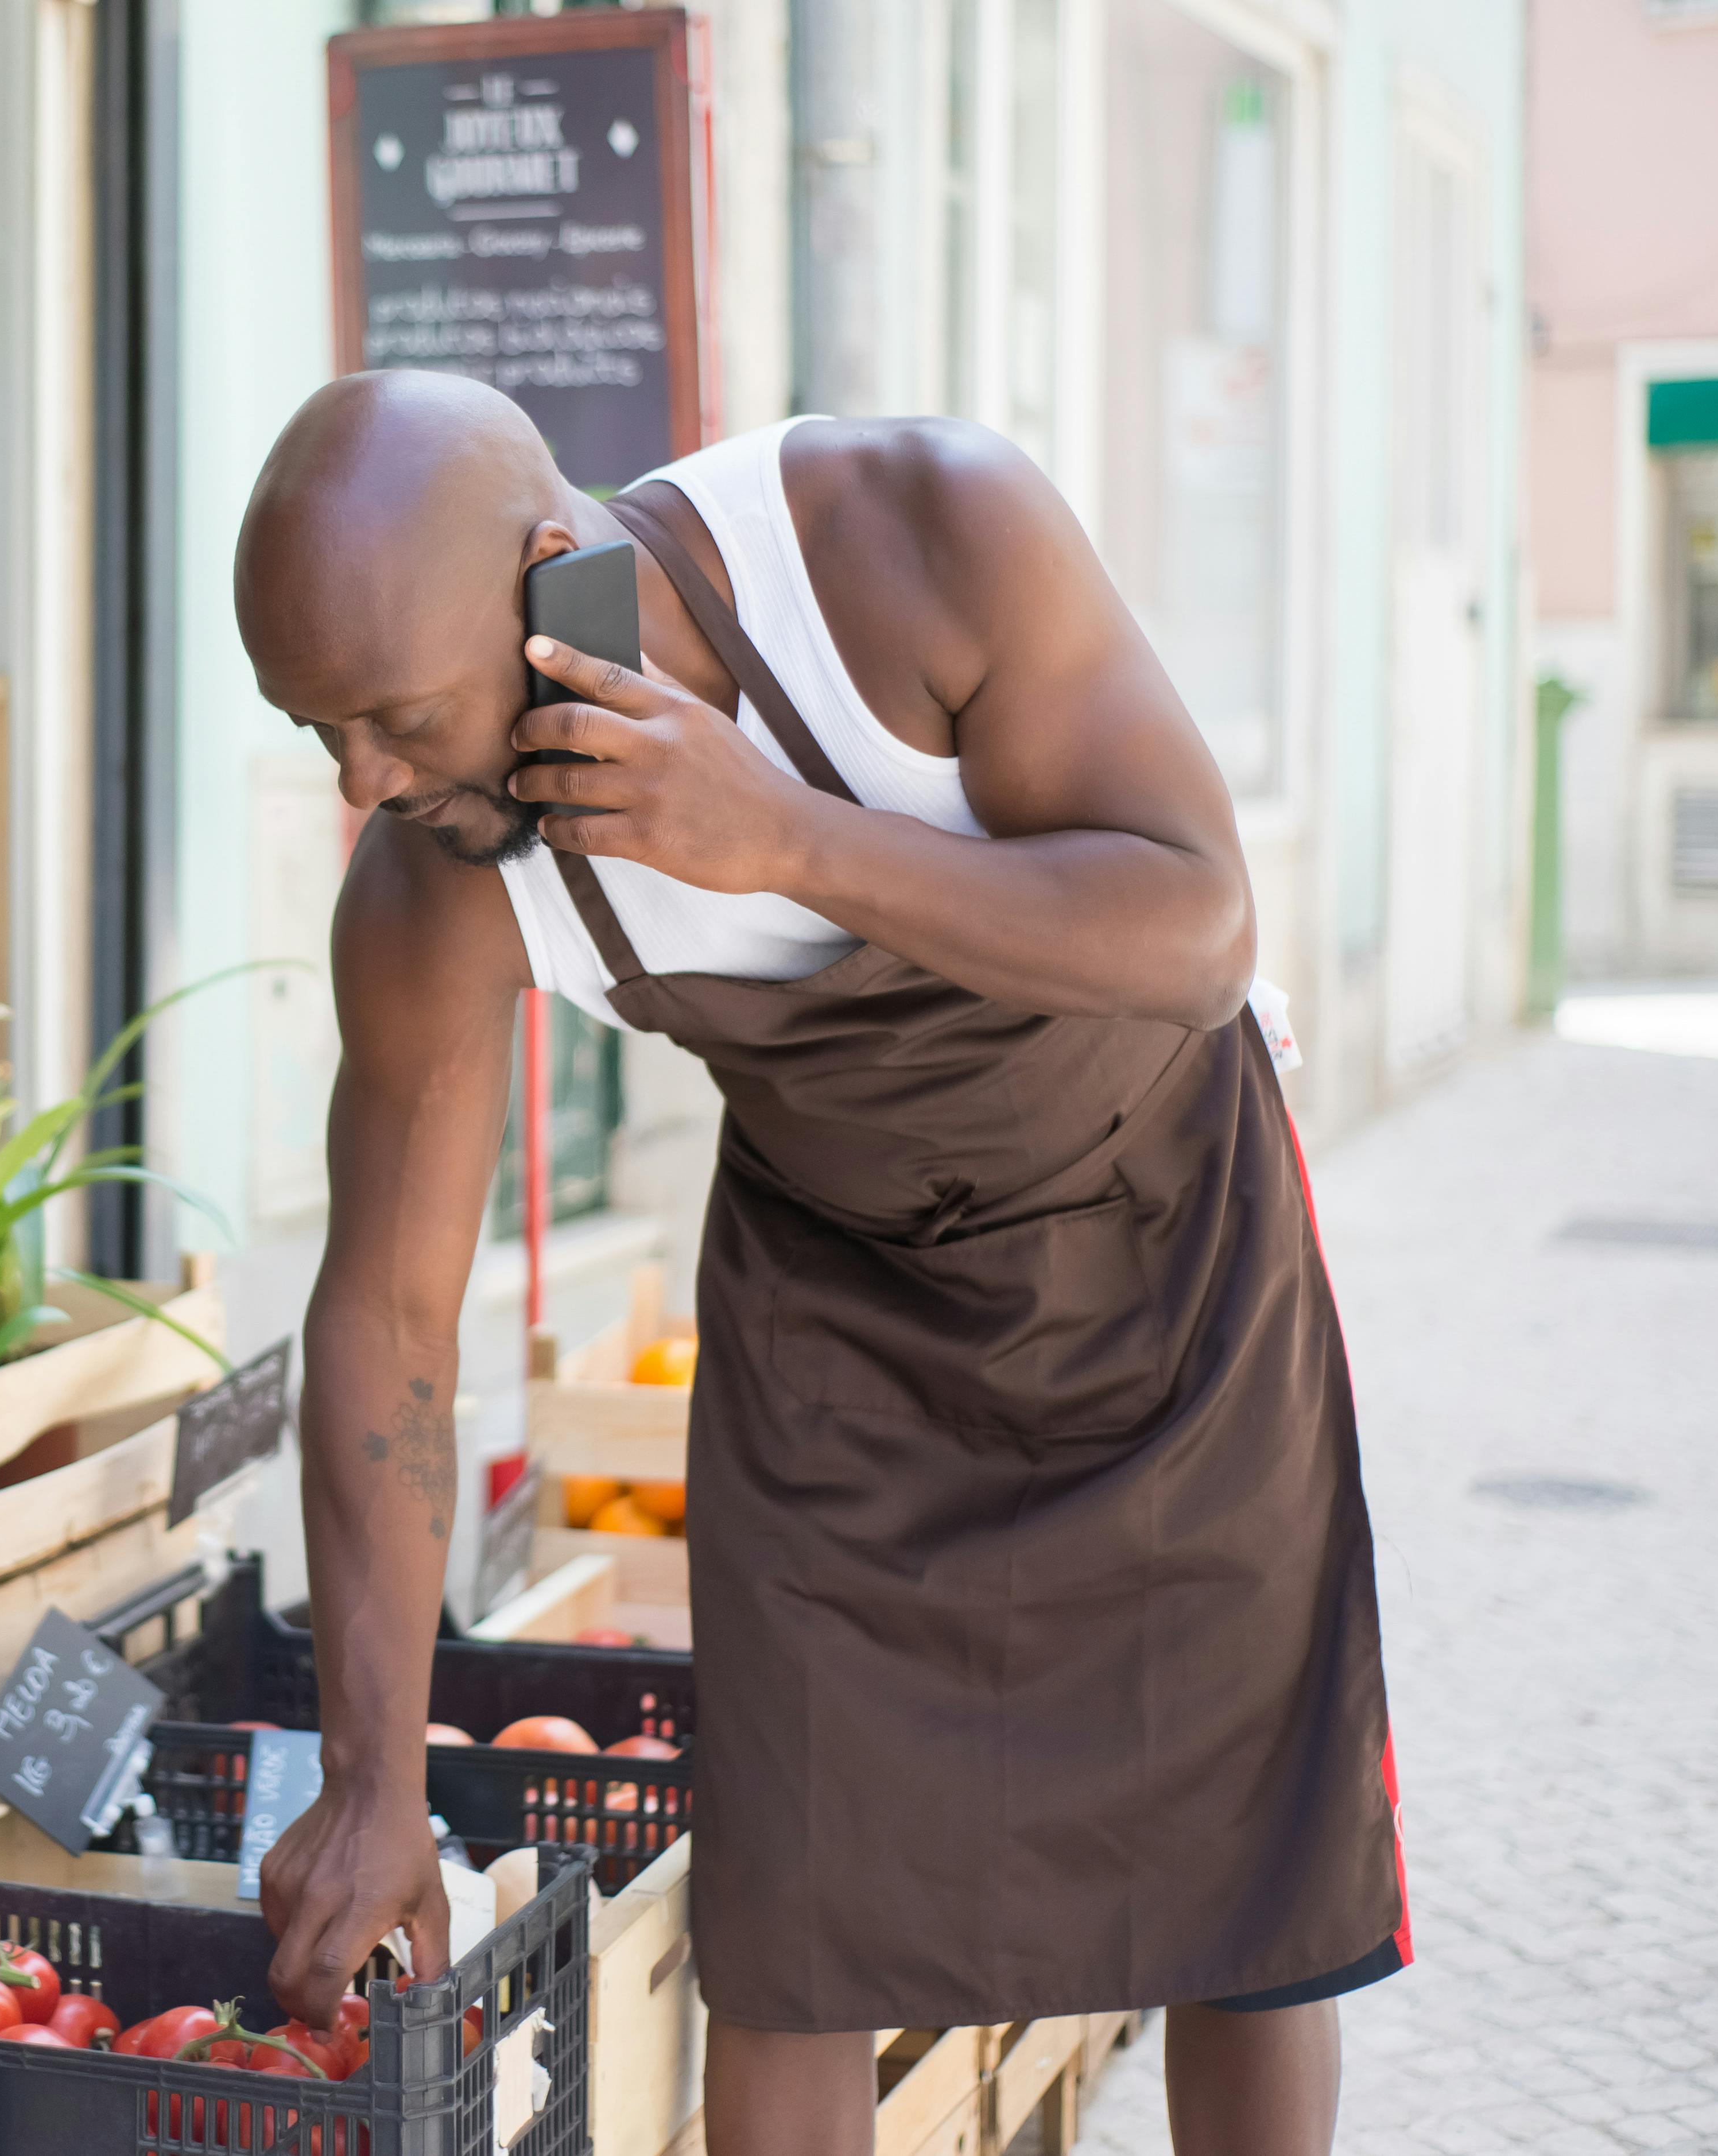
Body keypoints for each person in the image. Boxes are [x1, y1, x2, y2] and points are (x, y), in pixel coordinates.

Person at [238, 371, 1406, 2156]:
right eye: (316, 730)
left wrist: (784, 837)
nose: (363, 782)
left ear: (560, 579)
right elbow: (390, 1320)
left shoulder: (908, 535)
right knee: (790, 1924)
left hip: (1163, 1247)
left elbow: (1193, 923)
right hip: (835, 1308)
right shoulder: (432, 888)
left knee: (1244, 1879)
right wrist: (370, 1774)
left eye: (394, 715)